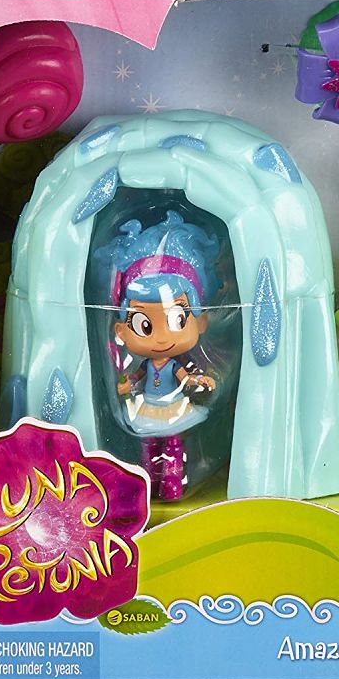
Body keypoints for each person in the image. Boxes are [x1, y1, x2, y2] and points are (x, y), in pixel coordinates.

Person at [97, 211, 220, 500]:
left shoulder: (174, 364)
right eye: (144, 325)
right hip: (148, 409)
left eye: (177, 319)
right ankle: (149, 483)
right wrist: (127, 385)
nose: (162, 337)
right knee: (148, 447)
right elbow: (137, 377)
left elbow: (184, 377)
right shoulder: (145, 363)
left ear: (200, 322)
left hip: (173, 407)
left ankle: (173, 484)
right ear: (121, 330)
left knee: (173, 445)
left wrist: (198, 381)